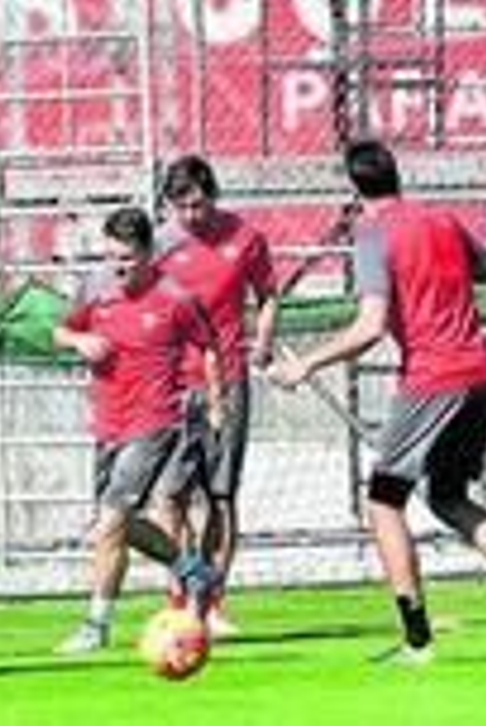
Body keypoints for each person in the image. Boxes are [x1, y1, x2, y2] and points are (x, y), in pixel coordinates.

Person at [269, 139, 486, 663]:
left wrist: (305, 364)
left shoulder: (372, 235)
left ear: (353, 188)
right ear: (396, 176)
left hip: (432, 377)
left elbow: (369, 326)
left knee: (383, 501)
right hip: (480, 372)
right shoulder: (444, 222)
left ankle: (417, 640)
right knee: (447, 496)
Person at [53, 207, 223, 655]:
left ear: (149, 254)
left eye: (127, 257)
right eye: (111, 257)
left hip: (155, 423)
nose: (118, 267)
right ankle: (191, 567)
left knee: (109, 523)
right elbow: (59, 331)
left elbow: (209, 347)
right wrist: (80, 341)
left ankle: (96, 625)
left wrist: (216, 401)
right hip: (107, 422)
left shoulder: (175, 298)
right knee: (116, 526)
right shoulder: (96, 290)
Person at [153, 155, 286, 636]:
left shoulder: (245, 238)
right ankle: (180, 588)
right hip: (168, 383)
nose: (193, 215)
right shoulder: (159, 247)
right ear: (168, 205)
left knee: (221, 496)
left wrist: (264, 342)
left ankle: (210, 602)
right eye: (182, 206)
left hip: (227, 380)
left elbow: (269, 294)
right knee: (170, 495)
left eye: (200, 204)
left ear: (213, 197)